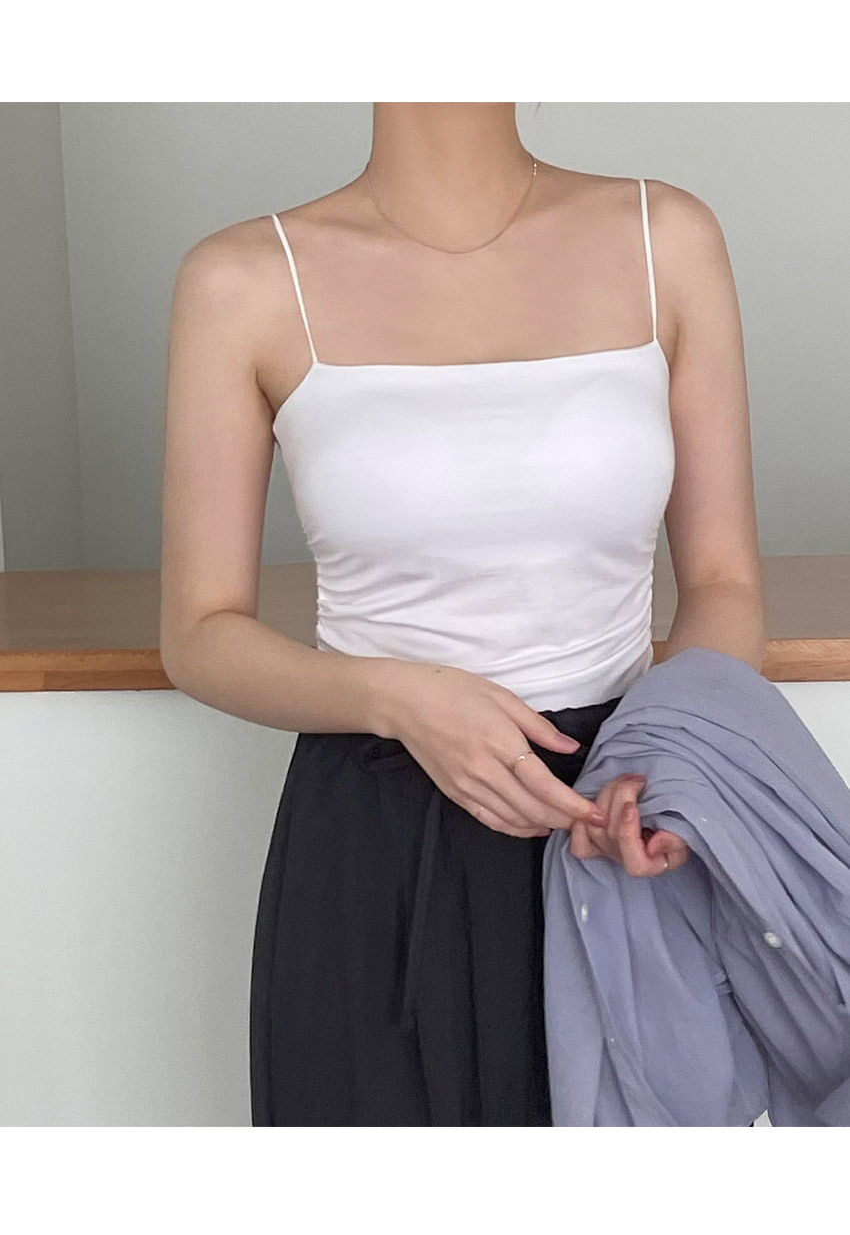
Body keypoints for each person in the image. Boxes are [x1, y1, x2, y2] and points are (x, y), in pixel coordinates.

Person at [160, 104, 764, 1126]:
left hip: (616, 817)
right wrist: (399, 698)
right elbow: (198, 631)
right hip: (376, 834)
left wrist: (662, 762)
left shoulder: (667, 239)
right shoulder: (243, 280)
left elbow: (723, 582)